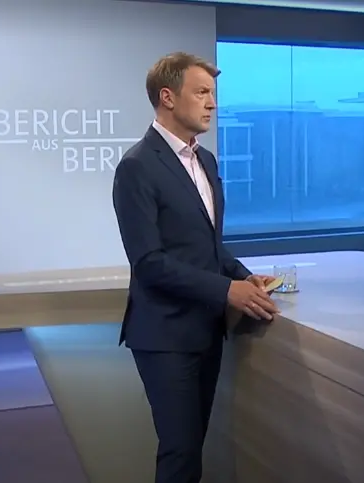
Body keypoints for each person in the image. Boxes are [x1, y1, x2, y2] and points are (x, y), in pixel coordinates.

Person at [112, 52, 280, 483]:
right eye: (202, 92)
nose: (212, 103)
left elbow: (207, 244)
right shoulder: (136, 167)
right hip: (164, 334)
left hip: (205, 331)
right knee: (180, 453)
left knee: (193, 447)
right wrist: (226, 291)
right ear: (168, 97)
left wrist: (242, 276)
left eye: (213, 93)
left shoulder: (206, 161)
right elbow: (149, 263)